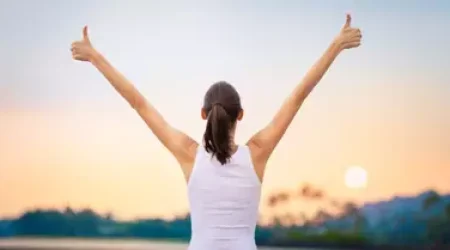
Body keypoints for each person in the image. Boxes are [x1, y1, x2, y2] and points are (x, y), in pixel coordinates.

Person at [71, 14, 362, 250]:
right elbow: (298, 96)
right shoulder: (258, 152)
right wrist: (335, 46)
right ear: (241, 115)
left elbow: (138, 102)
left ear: (203, 114)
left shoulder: (188, 154)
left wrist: (95, 57)